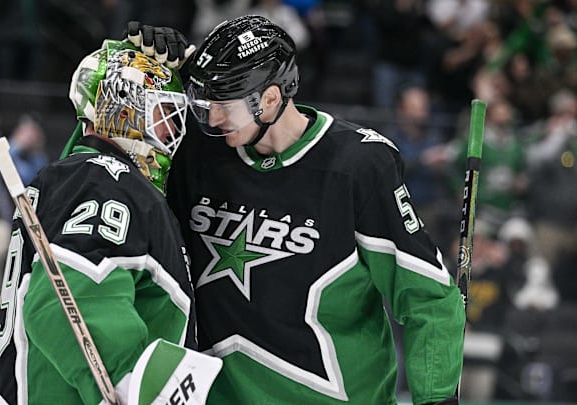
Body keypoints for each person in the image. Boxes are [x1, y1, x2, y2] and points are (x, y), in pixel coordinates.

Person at [127, 16, 465, 404]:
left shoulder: (357, 165)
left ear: (270, 99)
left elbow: (428, 296)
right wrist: (140, 73)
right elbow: (103, 174)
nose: (213, 117)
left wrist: (436, 398)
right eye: (206, 103)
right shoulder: (196, 149)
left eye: (224, 104)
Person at [0, 40, 220, 405]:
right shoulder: (106, 181)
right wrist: (129, 384)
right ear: (125, 111)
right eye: (164, 115)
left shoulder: (87, 178)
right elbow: (66, 303)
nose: (173, 132)